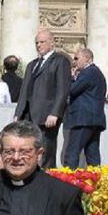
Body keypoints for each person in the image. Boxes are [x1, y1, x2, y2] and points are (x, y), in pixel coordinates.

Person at [14, 29, 71, 168]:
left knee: (45, 152)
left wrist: (55, 113)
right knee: (28, 149)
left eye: (42, 42)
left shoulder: (60, 61)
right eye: (37, 43)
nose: (39, 45)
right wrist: (18, 112)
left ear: (52, 42)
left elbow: (63, 90)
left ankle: (46, 181)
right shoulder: (32, 65)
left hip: (46, 116)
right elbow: (24, 90)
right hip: (28, 115)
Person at [63, 47, 107, 168]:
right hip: (94, 120)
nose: (74, 61)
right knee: (92, 155)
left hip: (83, 119)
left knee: (72, 152)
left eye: (77, 58)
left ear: (87, 59)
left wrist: (72, 77)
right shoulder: (97, 72)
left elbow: (72, 90)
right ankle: (95, 182)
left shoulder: (88, 72)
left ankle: (68, 182)